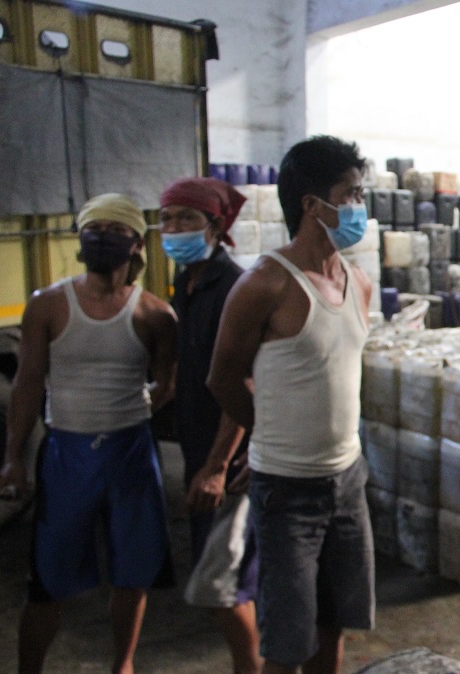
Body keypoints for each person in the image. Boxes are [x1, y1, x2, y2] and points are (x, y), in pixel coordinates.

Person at [207, 135, 374, 674]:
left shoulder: (358, 283)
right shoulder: (265, 283)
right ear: (311, 205)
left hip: (348, 482)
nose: (358, 208)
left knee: (333, 623)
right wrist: (265, 435)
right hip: (287, 491)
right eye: (349, 195)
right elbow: (222, 377)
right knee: (287, 641)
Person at [0, 193, 177, 674]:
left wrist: (141, 402)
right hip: (66, 453)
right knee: (48, 579)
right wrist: (13, 456)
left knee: (132, 573)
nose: (101, 239)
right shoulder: (48, 305)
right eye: (92, 229)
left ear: (137, 244)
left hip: (131, 453)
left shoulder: (155, 314)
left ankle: (123, 665)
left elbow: (167, 381)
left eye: (115, 231)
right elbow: (28, 382)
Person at [159, 176, 261, 674]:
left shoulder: (233, 287)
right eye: (166, 219)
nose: (173, 228)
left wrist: (218, 465)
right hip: (198, 449)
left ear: (217, 227)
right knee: (222, 577)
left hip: (229, 460)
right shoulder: (187, 283)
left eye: (186, 219)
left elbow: (244, 383)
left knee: (222, 587)